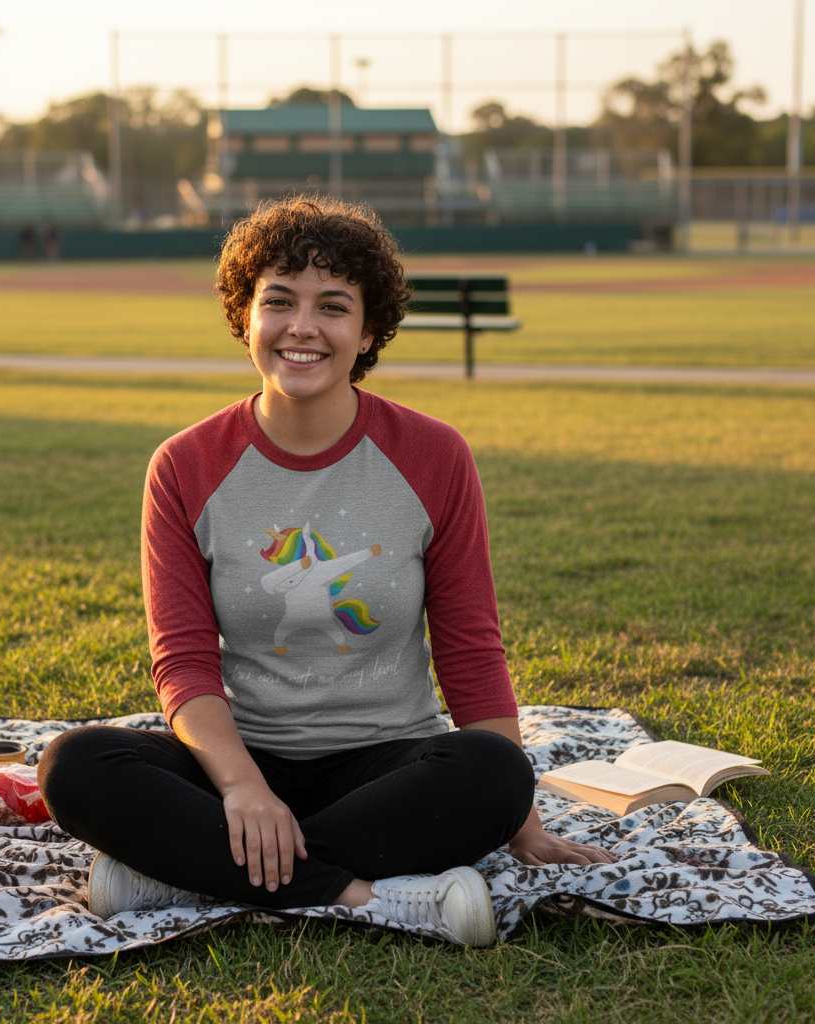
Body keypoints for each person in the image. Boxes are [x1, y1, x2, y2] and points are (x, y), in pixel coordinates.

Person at [37, 196, 616, 946]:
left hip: (388, 768)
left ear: (369, 331)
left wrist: (521, 821)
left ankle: (181, 874)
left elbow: (471, 648)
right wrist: (245, 790)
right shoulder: (184, 464)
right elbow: (182, 661)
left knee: (495, 773)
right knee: (77, 764)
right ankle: (365, 894)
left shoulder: (435, 455)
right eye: (278, 301)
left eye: (333, 306)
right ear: (245, 317)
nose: (302, 326)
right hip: (241, 760)